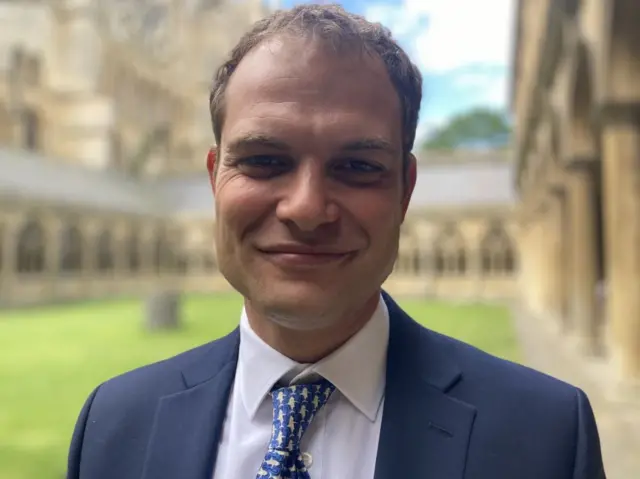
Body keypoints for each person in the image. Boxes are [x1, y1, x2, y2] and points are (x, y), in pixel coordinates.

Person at [66, 4, 606, 479]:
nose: (305, 209)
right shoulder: (113, 426)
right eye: (264, 161)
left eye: (356, 166)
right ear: (214, 180)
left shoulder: (544, 439)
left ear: (405, 190)